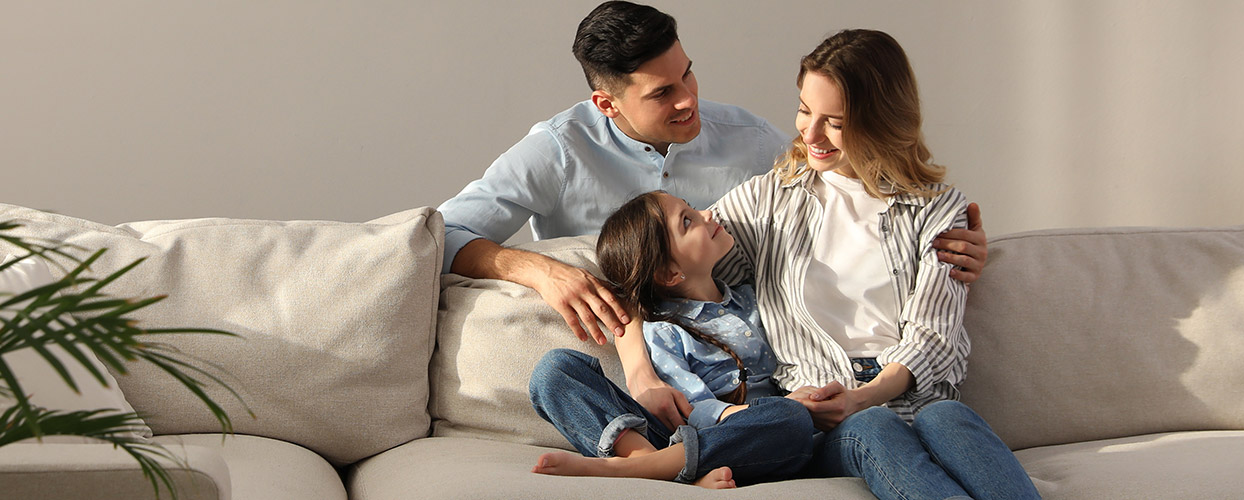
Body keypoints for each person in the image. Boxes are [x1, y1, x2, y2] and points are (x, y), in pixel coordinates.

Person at [434, 1, 991, 356]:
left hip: (752, 355)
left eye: (688, 73)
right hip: (625, 349)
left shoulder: (750, 139)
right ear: (606, 103)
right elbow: (441, 234)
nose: (688, 100)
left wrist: (944, 242)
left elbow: (853, 185)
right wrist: (539, 271)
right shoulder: (556, 150)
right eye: (662, 93)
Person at [645, 29, 1037, 499]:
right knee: (873, 429)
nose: (809, 135)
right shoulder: (768, 200)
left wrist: (866, 395)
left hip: (911, 394)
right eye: (805, 110)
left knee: (947, 416)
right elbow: (651, 265)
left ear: (881, 121)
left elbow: (934, 334)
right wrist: (636, 367)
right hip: (826, 416)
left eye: (835, 121)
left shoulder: (939, 209)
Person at [529, 191, 817, 488]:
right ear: (670, 273)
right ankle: (649, 462)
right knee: (555, 370)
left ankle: (653, 470)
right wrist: (752, 412)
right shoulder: (665, 330)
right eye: (688, 221)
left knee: (791, 420)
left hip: (752, 444)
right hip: (688, 436)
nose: (708, 214)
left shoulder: (755, 299)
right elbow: (692, 411)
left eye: (692, 209)